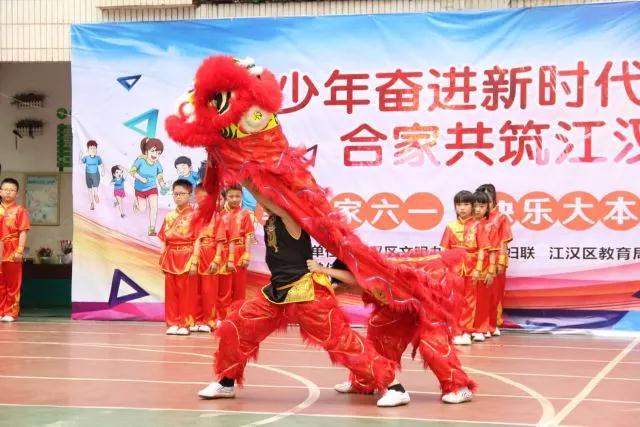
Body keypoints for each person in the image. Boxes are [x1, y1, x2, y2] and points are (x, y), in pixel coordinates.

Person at [198, 187, 407, 407]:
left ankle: (394, 387)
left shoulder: (291, 217)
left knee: (342, 342)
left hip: (308, 293)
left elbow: (262, 196)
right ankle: (226, 382)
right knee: (237, 325)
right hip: (277, 292)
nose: (265, 200)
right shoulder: (272, 218)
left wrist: (240, 173)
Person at [308, 254, 476, 404]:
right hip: (403, 301)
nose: (349, 290)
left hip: (435, 290)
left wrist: (323, 269)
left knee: (431, 341)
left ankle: (460, 388)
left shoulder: (375, 270)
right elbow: (344, 286)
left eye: (348, 285)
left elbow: (355, 280)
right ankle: (367, 381)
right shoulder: (362, 279)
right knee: (380, 329)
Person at [441, 190, 489, 345]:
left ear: (473, 206)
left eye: (466, 204)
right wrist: (444, 268)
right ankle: (455, 332)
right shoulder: (450, 226)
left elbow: (483, 249)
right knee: (454, 301)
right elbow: (444, 249)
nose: (462, 208)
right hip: (454, 269)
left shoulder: (478, 226)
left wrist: (478, 269)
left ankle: (467, 331)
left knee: (470, 301)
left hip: (472, 268)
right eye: (459, 204)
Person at [158, 179, 199, 336]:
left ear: (190, 195)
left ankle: (185, 324)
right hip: (170, 256)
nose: (178, 197)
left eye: (182, 193)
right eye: (175, 194)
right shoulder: (169, 216)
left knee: (186, 292)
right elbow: (164, 239)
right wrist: (162, 257)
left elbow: (198, 239)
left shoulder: (196, 215)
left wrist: (195, 261)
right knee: (171, 292)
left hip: (187, 254)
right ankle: (172, 322)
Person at [476, 184, 513, 336]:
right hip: (477, 262)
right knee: (478, 296)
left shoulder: (501, 218)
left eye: (488, 200)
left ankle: (492, 324)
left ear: (494, 201)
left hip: (495, 260)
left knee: (494, 295)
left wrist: (501, 262)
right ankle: (478, 326)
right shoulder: (475, 218)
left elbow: (503, 241)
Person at [192, 186, 226, 332]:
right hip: (194, 255)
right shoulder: (194, 216)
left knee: (209, 291)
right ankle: (197, 320)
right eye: (200, 197)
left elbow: (220, 240)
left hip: (210, 254)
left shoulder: (216, 217)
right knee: (196, 291)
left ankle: (209, 321)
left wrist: (216, 259)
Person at [0, 178, 30, 322]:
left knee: (13, 283)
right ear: (0, 191)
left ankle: (11, 312)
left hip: (12, 249)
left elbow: (23, 231)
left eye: (11, 190)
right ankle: (1, 311)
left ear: (16, 194)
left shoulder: (20, 210)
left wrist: (20, 250)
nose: (8, 192)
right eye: (5, 189)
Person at [220, 185, 254, 302]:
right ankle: (224, 311)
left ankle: (238, 310)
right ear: (226, 197)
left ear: (242, 196)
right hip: (224, 252)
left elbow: (248, 235)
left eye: (237, 196)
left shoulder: (245, 213)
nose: (235, 199)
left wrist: (247, 254)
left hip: (240, 252)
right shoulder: (221, 214)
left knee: (239, 284)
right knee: (224, 285)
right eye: (231, 196)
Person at [471, 190, 498, 340]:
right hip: (467, 268)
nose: (477, 209)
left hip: (484, 268)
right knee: (468, 301)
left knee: (482, 300)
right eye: (475, 206)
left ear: (488, 208)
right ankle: (467, 328)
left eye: (481, 206)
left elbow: (493, 251)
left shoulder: (490, 227)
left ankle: (481, 329)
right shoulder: (467, 225)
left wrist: (491, 271)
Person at [131, 137, 168, 236]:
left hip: (152, 188)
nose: (155, 155)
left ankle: (152, 228)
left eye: (158, 153)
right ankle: (137, 205)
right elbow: (132, 171)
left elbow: (160, 177)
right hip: (140, 189)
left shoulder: (158, 165)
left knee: (154, 208)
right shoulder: (140, 161)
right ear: (146, 151)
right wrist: (141, 178)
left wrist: (163, 185)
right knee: (142, 208)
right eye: (153, 151)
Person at [79, 140, 104, 210]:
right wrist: (80, 155)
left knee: (95, 188)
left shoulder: (98, 158)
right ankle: (92, 203)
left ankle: (96, 194)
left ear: (96, 149)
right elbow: (80, 162)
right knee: (89, 190)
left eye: (94, 148)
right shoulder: (86, 158)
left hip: (95, 175)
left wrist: (103, 171)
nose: (93, 150)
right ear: (88, 150)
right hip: (88, 175)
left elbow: (101, 164)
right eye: (91, 148)